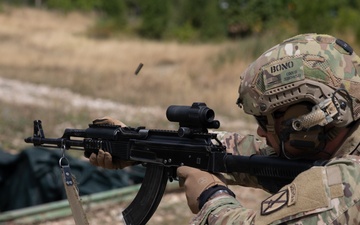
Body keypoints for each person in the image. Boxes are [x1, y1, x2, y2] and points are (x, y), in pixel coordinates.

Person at [89, 33, 360, 224]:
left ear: (308, 119)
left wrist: (211, 198)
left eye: (265, 122)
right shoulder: (342, 142)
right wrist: (142, 145)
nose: (261, 133)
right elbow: (253, 152)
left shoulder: (347, 184)